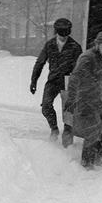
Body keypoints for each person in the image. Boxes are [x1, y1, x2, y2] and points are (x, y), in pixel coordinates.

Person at [66, 30, 102, 169]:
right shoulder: (87, 57)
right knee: (93, 132)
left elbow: (101, 78)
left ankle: (96, 160)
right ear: (97, 44)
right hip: (85, 100)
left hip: (97, 100)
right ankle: (86, 164)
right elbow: (75, 78)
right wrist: (71, 99)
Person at [30, 17, 82, 145]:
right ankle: (54, 129)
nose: (63, 36)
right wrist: (33, 81)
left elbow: (80, 67)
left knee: (69, 110)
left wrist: (79, 84)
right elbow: (40, 63)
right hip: (53, 80)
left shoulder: (75, 47)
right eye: (60, 33)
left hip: (69, 80)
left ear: (69, 32)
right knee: (46, 106)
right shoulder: (50, 45)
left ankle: (68, 133)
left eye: (66, 33)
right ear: (56, 32)